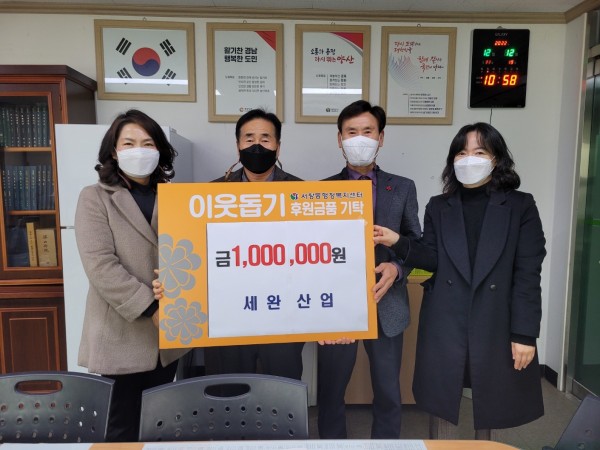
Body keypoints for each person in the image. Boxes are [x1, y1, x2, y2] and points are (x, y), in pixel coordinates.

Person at [373, 122, 546, 440]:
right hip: (446, 318)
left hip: (496, 318)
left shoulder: (520, 206)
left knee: (491, 398)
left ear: (496, 159)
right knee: (442, 396)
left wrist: (525, 333)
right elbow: (431, 258)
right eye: (462, 153)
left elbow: (527, 273)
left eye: (479, 152)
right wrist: (397, 241)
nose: (469, 159)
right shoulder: (439, 206)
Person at [75, 109, 188, 442]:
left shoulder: (175, 196)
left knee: (158, 427)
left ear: (160, 150)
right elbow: (100, 266)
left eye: (148, 143)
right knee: (120, 429)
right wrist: (152, 308)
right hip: (121, 333)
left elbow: (190, 254)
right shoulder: (94, 197)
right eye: (129, 143)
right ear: (114, 151)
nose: (139, 150)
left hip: (167, 337)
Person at [317, 100, 421, 439]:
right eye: (351, 132)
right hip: (336, 305)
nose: (359, 139)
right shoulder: (318, 191)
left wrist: (397, 268)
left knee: (389, 391)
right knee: (331, 389)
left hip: (386, 301)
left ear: (381, 138)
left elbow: (416, 242)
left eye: (367, 131)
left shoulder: (403, 187)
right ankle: (331, 447)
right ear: (339, 139)